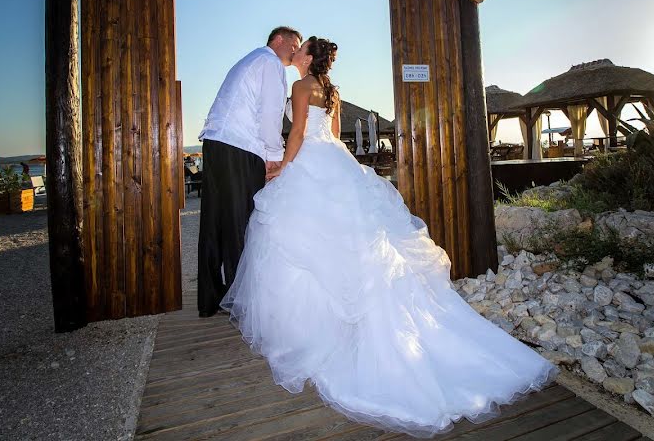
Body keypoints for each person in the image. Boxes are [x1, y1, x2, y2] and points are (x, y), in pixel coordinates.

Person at [222, 37, 556, 437]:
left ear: (308, 58)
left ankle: (313, 332)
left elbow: (296, 135)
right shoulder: (331, 90)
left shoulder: (299, 87)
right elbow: (330, 132)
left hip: (309, 161)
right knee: (353, 240)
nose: (295, 53)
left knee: (298, 239)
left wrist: (281, 169)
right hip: (336, 162)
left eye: (301, 49)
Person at [197, 26, 302, 317]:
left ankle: (209, 298)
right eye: (294, 45)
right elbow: (269, 115)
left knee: (214, 222)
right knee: (239, 223)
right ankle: (240, 302)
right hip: (240, 147)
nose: (295, 52)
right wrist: (274, 156)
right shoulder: (270, 63)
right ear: (278, 40)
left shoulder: (251, 59)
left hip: (217, 143)